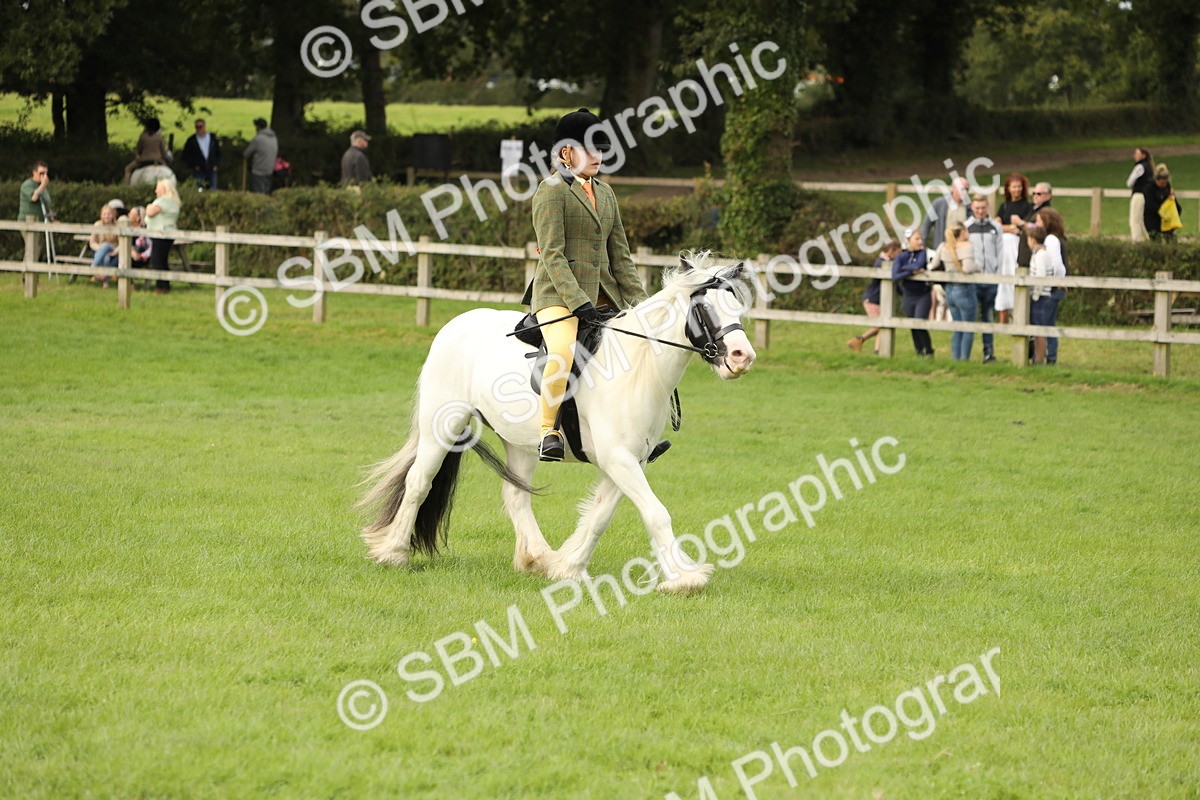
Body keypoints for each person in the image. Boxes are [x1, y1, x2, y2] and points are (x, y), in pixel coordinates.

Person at [525, 108, 650, 461]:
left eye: (601, 149)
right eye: (590, 149)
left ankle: (637, 431)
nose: (598, 156)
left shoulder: (606, 193)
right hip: (558, 296)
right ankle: (548, 431)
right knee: (563, 351)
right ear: (566, 152)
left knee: (640, 347)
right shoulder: (551, 191)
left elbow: (621, 257)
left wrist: (643, 305)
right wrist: (578, 301)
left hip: (604, 296)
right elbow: (552, 254)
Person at [934, 222, 978, 361]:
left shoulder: (944, 246)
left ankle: (956, 359)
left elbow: (933, 265)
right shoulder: (967, 246)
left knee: (957, 326)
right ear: (963, 232)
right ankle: (964, 360)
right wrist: (978, 268)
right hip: (964, 289)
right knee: (968, 327)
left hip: (950, 290)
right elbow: (967, 268)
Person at [967, 194, 1003, 363]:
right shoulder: (966, 227)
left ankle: (988, 352)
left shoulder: (996, 227)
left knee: (988, 316)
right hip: (973, 280)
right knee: (970, 316)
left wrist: (999, 276)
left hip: (990, 279)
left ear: (987, 206)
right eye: (977, 208)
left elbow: (1001, 253)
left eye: (983, 208)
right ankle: (964, 353)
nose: (980, 211)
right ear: (972, 208)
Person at [848, 240, 900, 354]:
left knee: (881, 326)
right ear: (892, 251)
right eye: (898, 252)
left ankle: (877, 350)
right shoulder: (881, 263)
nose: (899, 255)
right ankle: (858, 340)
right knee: (880, 325)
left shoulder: (888, 262)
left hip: (879, 300)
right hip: (872, 300)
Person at [994, 173, 1031, 325]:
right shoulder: (1004, 206)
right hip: (1003, 251)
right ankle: (1002, 320)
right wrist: (1009, 227)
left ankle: (1018, 318)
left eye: (1019, 187)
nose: (1017, 190)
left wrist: (1010, 227)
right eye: (1014, 187)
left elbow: (1022, 228)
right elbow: (996, 225)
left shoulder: (1027, 207)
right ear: (1008, 189)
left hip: (1016, 248)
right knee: (1003, 281)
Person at [1033, 207, 1069, 364]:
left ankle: (1050, 356)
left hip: (1052, 289)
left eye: (1038, 221)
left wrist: (1056, 283)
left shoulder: (1051, 240)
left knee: (1046, 324)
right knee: (1049, 323)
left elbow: (1058, 266)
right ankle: (1050, 356)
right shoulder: (1058, 238)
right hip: (1057, 287)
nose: (1036, 224)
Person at [892, 228, 934, 357]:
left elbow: (918, 265)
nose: (920, 241)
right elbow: (895, 276)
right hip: (908, 295)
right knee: (912, 324)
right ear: (908, 240)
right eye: (916, 239)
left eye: (920, 239)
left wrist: (903, 269)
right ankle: (919, 352)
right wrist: (910, 271)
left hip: (923, 294)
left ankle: (929, 350)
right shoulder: (902, 256)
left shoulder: (922, 253)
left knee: (919, 322)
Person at [145, 179, 181, 294]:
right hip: (168, 234)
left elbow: (150, 212)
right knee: (163, 260)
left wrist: (148, 206)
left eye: (157, 188)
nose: (156, 191)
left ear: (164, 189)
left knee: (156, 260)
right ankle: (165, 286)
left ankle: (160, 286)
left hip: (161, 234)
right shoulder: (173, 201)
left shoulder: (163, 201)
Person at [1027, 225, 1055, 365]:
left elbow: (1041, 276)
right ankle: (1036, 357)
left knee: (1039, 329)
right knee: (1037, 328)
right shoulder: (1039, 253)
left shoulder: (1041, 255)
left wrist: (1036, 295)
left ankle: (1038, 359)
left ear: (1032, 239)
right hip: (1040, 296)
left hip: (1040, 297)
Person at [920, 176, 970, 254]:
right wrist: (921, 244)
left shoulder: (969, 208)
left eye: (967, 189)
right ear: (953, 188)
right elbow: (926, 225)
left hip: (962, 250)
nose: (965, 192)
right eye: (962, 189)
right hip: (942, 250)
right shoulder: (939, 204)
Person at [1143, 163, 1183, 243]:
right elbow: (1149, 204)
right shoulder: (1149, 188)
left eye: (1165, 183)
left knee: (1171, 239)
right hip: (1152, 218)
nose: (1164, 185)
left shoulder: (1167, 186)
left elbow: (1174, 203)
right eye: (1162, 183)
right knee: (1156, 240)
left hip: (1166, 219)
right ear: (1157, 180)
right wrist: (1160, 210)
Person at [123, 118, 170, 184]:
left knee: (127, 169)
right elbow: (163, 153)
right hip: (158, 161)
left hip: (144, 161)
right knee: (169, 174)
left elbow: (138, 151)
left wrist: (138, 158)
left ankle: (126, 187)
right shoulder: (160, 138)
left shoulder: (143, 137)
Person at [182, 118, 221, 191]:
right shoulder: (192, 140)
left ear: (204, 126)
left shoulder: (212, 138)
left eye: (200, 127)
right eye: (197, 127)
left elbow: (218, 152)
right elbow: (185, 155)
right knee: (199, 190)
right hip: (199, 170)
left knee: (212, 190)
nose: (199, 129)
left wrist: (216, 164)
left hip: (212, 168)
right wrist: (194, 165)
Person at [243, 118, 278, 195]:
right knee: (266, 191)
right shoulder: (274, 137)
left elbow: (246, 153)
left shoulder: (258, 139)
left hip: (259, 170)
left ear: (258, 127)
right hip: (270, 169)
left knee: (259, 193)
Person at [1126, 147, 1154, 242]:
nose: (1135, 155)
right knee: (1141, 221)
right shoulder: (1149, 166)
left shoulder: (1140, 167)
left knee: (1135, 221)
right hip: (1147, 195)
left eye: (1137, 154)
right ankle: (1150, 240)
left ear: (1143, 155)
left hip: (1138, 195)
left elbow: (1130, 182)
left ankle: (1137, 241)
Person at [90, 204, 120, 285]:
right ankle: (106, 282)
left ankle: (93, 267)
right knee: (106, 258)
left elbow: (122, 244)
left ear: (113, 215)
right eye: (104, 214)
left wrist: (115, 252)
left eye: (109, 214)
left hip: (113, 250)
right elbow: (92, 242)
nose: (106, 216)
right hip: (100, 250)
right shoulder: (97, 224)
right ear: (101, 215)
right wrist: (100, 248)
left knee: (106, 245)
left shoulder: (117, 225)